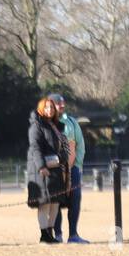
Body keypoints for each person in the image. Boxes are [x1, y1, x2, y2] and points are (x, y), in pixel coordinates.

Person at [28, 97, 70, 243]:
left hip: (56, 169)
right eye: (46, 107)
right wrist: (41, 166)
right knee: (44, 203)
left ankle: (50, 233)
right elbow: (35, 148)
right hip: (42, 170)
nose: (49, 110)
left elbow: (65, 147)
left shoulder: (58, 127)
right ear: (41, 108)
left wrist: (61, 159)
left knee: (55, 203)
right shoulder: (36, 126)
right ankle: (44, 235)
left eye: (51, 107)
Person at [49, 94, 88, 243]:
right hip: (55, 170)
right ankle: (57, 235)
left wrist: (76, 166)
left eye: (63, 103)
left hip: (73, 170)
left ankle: (73, 234)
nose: (61, 105)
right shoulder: (46, 123)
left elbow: (80, 145)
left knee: (75, 199)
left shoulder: (71, 122)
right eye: (58, 103)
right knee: (56, 201)